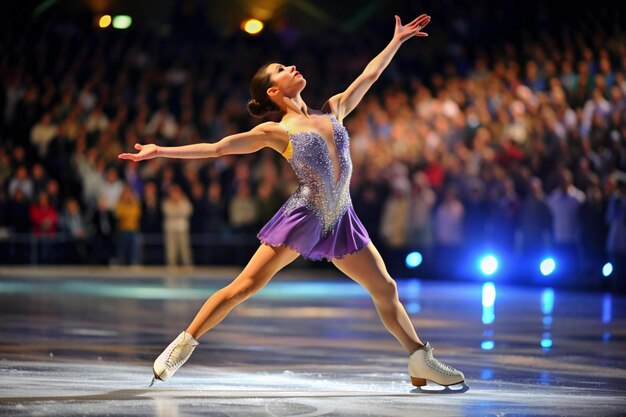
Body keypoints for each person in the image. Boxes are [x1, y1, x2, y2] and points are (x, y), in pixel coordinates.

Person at [119, 14, 466, 390]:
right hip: (306, 215)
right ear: (272, 91)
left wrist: (396, 41)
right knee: (245, 286)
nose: (293, 67)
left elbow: (370, 75)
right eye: (282, 69)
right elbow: (218, 148)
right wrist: (160, 151)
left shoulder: (333, 109)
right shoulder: (276, 130)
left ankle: (419, 359)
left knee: (387, 289)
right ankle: (182, 345)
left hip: (341, 215)